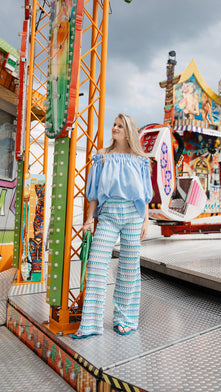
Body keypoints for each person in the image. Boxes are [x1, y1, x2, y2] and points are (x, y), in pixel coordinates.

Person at [72, 113, 153, 339]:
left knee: (129, 269)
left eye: (120, 126)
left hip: (133, 216)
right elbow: (95, 193)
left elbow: (145, 195)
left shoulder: (140, 159)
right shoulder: (102, 156)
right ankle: (90, 324)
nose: (115, 128)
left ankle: (124, 320)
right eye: (114, 125)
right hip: (108, 215)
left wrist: (145, 220)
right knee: (96, 265)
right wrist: (89, 219)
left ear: (129, 131)